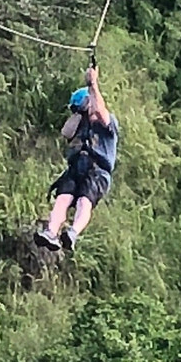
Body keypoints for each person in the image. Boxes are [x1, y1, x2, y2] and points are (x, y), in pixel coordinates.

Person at [35, 65, 119, 252]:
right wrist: (79, 113)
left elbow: (101, 111)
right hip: (76, 167)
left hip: (97, 170)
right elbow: (66, 132)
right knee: (62, 197)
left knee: (84, 200)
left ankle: (73, 232)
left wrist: (93, 85)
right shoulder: (79, 124)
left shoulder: (108, 123)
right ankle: (51, 232)